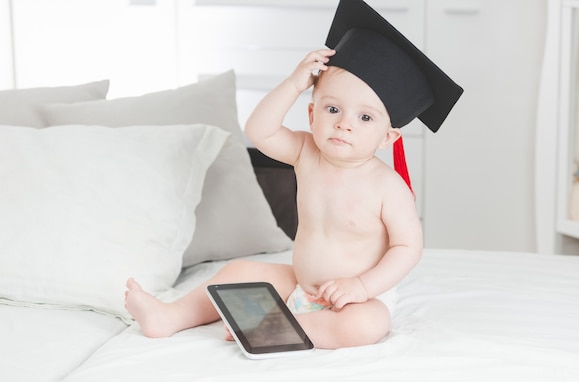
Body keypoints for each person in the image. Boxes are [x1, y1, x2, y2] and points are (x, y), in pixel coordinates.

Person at [125, 0, 462, 350]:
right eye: (333, 109)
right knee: (240, 272)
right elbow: (259, 131)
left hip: (354, 299)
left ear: (387, 138)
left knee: (368, 324)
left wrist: (361, 286)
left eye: (365, 118)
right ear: (313, 114)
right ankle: (171, 316)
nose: (345, 123)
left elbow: (408, 248)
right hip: (300, 285)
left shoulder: (388, 187)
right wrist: (293, 83)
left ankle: (278, 328)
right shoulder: (306, 152)